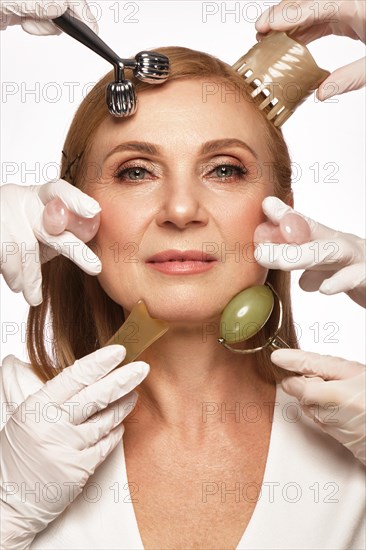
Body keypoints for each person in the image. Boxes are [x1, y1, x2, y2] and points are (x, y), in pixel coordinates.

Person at [1, 45, 365, 550]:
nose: (180, 208)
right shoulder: (13, 423)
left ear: (281, 209)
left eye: (224, 169)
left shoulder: (356, 432)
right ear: (73, 208)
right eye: (135, 172)